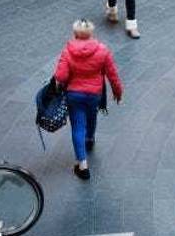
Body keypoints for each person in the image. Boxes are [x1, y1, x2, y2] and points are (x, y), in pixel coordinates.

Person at [53, 19, 123, 180]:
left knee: (78, 126)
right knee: (92, 118)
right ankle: (90, 138)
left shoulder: (67, 51)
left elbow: (61, 76)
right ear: (91, 33)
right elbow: (112, 75)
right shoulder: (102, 50)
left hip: (74, 95)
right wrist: (118, 92)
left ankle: (82, 165)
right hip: (94, 94)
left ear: (75, 33)